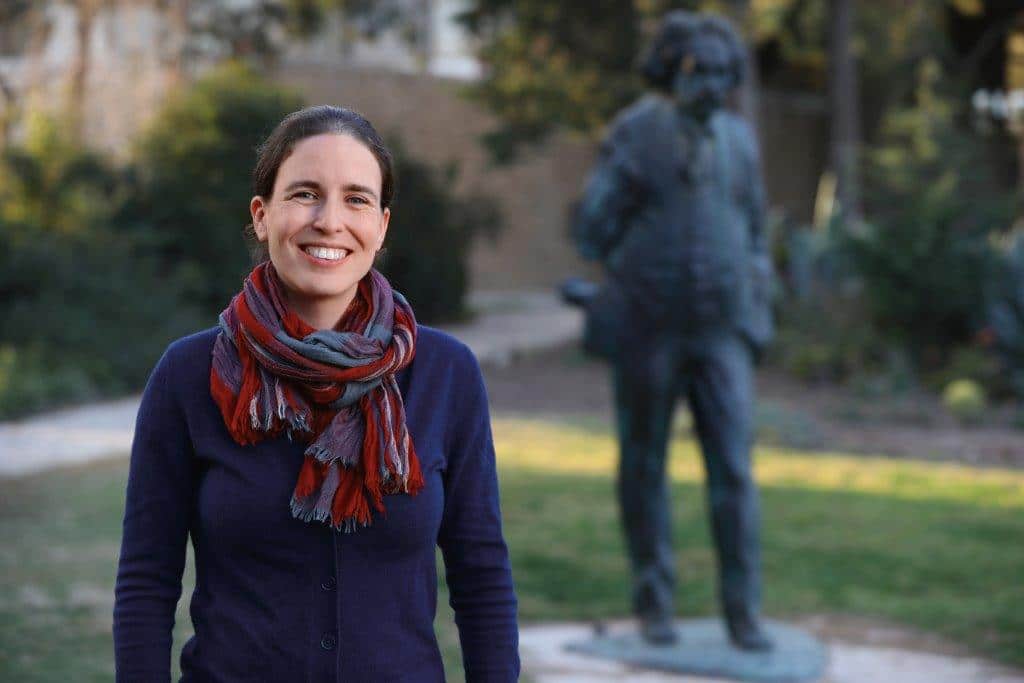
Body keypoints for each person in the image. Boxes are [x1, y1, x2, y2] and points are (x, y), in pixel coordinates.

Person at [113, 105, 521, 682]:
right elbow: (146, 580)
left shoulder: (445, 373)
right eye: (305, 193)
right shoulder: (188, 373)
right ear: (261, 215)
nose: (330, 221)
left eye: (356, 198)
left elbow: (480, 572)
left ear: (381, 226)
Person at [569, 12, 774, 650]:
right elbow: (591, 232)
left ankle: (743, 612)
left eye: (721, 73)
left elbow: (756, 227)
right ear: (671, 72)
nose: (710, 84)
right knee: (644, 464)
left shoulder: (739, 141)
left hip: (721, 328)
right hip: (649, 324)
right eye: (696, 71)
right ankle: (654, 603)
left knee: (734, 471)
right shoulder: (635, 132)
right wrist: (618, 191)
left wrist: (758, 291)